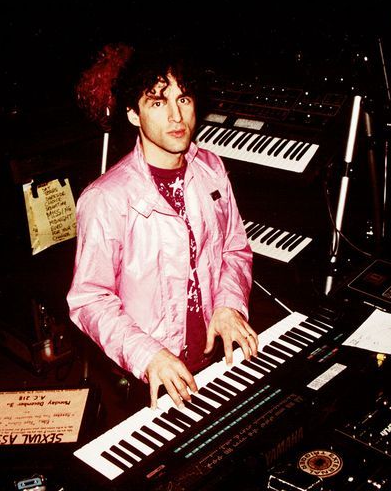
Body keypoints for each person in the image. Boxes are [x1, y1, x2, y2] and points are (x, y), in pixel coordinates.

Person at [67, 43, 257, 410]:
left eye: (183, 99)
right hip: (147, 377)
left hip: (216, 363)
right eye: (158, 102)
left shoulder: (212, 168)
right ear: (133, 114)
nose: (176, 117)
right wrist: (148, 355)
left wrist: (229, 304)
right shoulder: (105, 199)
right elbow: (89, 299)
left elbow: (234, 249)